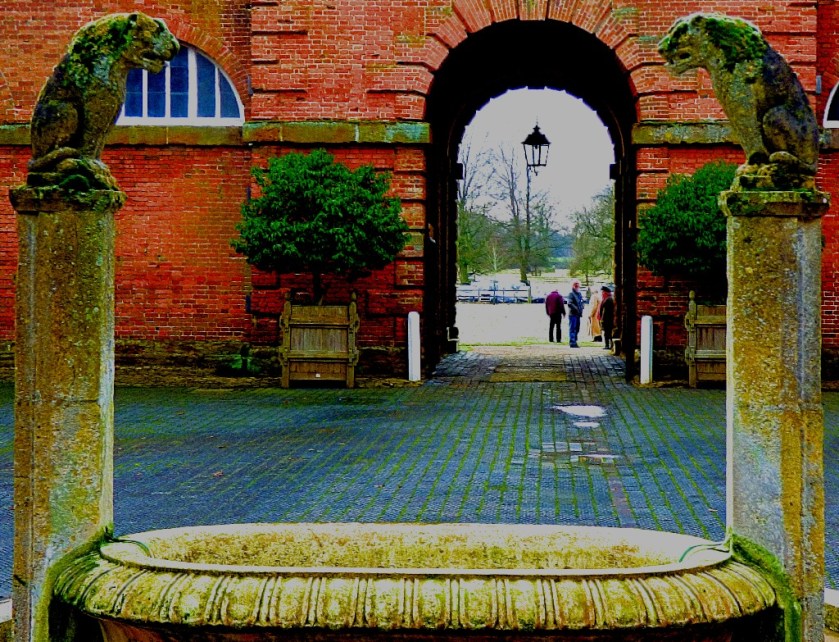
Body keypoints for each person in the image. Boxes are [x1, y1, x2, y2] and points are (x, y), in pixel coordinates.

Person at [566, 279, 584, 348]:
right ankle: (572, 342)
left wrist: (582, 307)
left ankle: (575, 341)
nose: (577, 285)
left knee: (577, 328)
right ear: (573, 285)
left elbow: (581, 302)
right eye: (575, 284)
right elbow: (569, 303)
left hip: (578, 314)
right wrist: (576, 308)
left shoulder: (579, 293)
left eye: (578, 284)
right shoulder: (571, 293)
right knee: (572, 328)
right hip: (573, 314)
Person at [599, 285, 615, 350]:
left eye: (603, 292)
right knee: (607, 332)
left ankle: (608, 345)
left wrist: (603, 319)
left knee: (608, 333)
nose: (602, 293)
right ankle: (608, 345)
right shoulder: (606, 299)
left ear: (606, 292)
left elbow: (606, 311)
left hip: (608, 319)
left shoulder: (609, 300)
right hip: (606, 319)